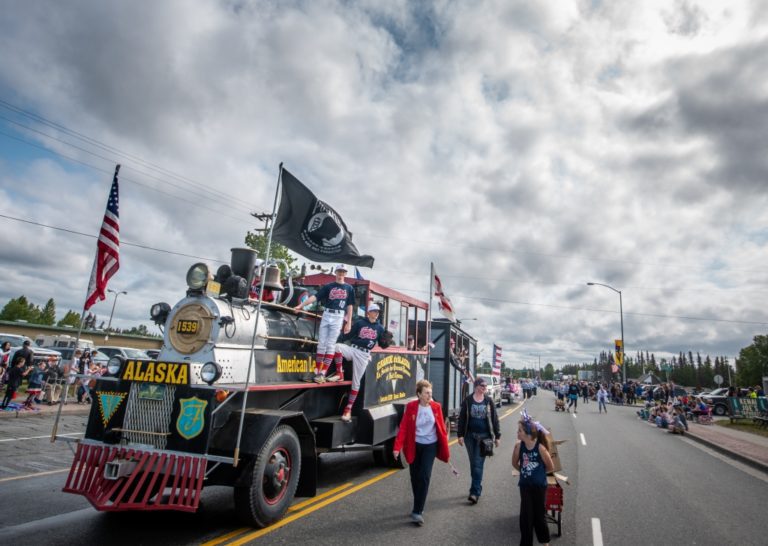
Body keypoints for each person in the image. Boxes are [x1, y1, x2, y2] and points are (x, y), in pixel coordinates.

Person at [393, 379, 450, 526]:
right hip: (414, 445)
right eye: (426, 393)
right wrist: (396, 447)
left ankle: (418, 510)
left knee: (424, 476)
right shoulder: (411, 407)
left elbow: (442, 429)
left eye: (430, 392)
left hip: (430, 446)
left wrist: (445, 448)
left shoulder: (436, 407)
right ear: (419, 394)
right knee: (414, 477)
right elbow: (404, 427)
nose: (429, 395)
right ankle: (418, 503)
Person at [294, 264, 355, 383]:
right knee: (321, 343)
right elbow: (315, 297)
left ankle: (323, 373)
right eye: (339, 271)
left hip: (338, 315)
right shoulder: (329, 286)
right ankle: (316, 371)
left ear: (345, 274)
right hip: (327, 314)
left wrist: (349, 322)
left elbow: (350, 305)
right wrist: (301, 305)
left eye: (343, 272)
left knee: (330, 344)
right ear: (336, 273)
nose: (341, 274)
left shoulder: (349, 288)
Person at [329, 303, 387, 422]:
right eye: (374, 311)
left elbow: (383, 344)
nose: (376, 314)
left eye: (378, 312)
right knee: (337, 347)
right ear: (369, 312)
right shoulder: (360, 323)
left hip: (364, 354)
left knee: (356, 384)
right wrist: (336, 337)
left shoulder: (380, 328)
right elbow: (348, 335)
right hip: (354, 349)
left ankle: (348, 409)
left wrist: (386, 341)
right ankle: (340, 373)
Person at [512, 411, 554, 546]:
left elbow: (550, 467)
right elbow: (514, 463)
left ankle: (544, 541)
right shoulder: (519, 446)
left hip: (539, 486)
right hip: (525, 486)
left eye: (520, 431)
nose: (517, 433)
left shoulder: (540, 448)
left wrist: (539, 473)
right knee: (526, 516)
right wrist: (523, 471)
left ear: (528, 434)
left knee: (539, 515)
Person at [457, 376, 501, 504]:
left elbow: (494, 419)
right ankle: (477, 486)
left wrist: (497, 436)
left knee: (477, 464)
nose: (485, 388)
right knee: (473, 464)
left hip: (484, 437)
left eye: (486, 386)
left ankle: (474, 492)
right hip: (470, 437)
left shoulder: (488, 401)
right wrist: (460, 435)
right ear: (476, 386)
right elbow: (462, 419)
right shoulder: (468, 401)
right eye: (482, 386)